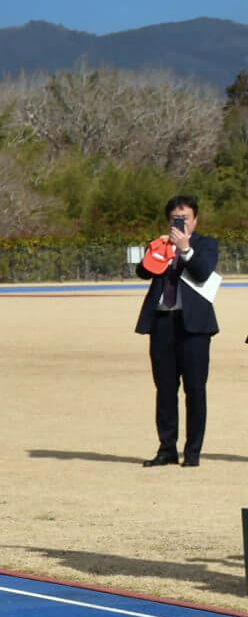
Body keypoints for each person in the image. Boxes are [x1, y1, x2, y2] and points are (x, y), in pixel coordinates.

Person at [136, 195, 220, 467]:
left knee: (195, 389)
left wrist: (185, 249)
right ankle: (166, 449)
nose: (180, 223)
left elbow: (203, 272)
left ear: (196, 220)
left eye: (185, 218)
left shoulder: (206, 244)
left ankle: (192, 452)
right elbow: (142, 272)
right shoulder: (160, 245)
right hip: (162, 323)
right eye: (175, 219)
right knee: (165, 389)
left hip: (194, 327)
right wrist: (159, 249)